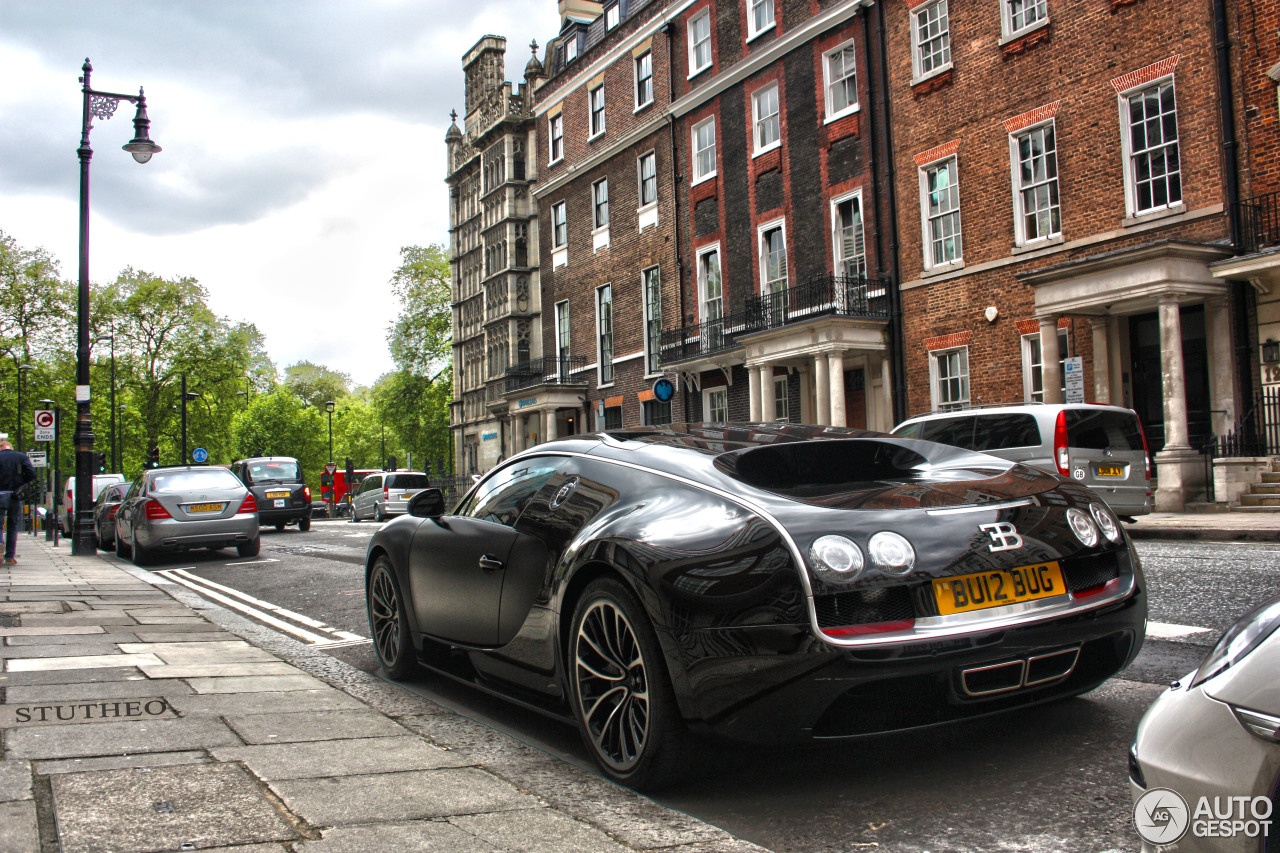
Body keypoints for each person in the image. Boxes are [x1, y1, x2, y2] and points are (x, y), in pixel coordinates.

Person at [0, 438, 38, 564]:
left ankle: (0, 543)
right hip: (15, 495)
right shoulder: (20, 457)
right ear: (11, 447)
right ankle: (10, 556)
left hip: (1, 495)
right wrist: (21, 482)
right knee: (12, 525)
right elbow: (32, 474)